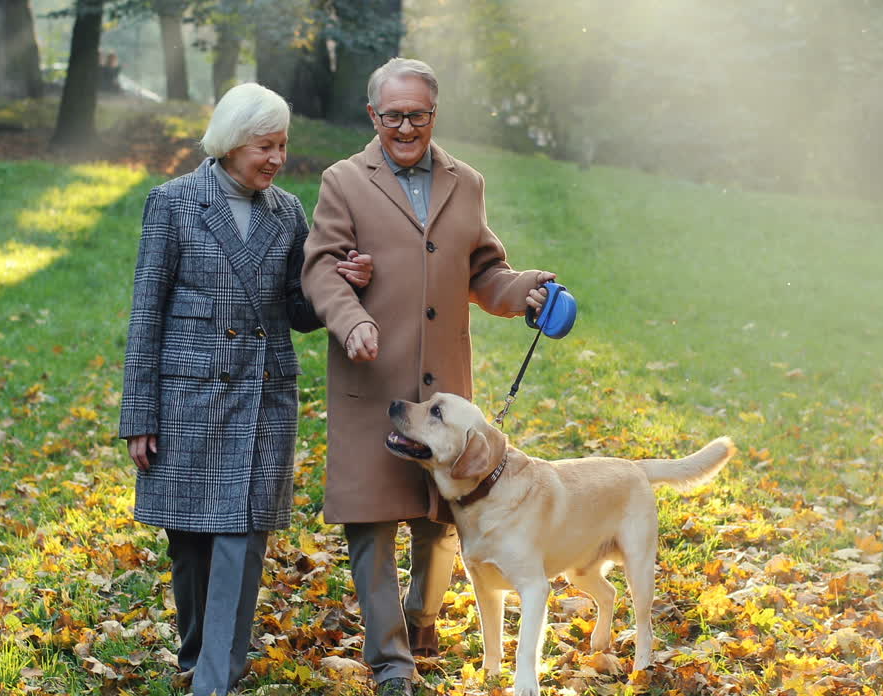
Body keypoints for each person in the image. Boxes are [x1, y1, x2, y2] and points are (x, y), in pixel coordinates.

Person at [302, 58, 556, 696]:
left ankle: (420, 623)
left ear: (434, 115)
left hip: (442, 386)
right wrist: (350, 318)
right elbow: (321, 269)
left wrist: (522, 291)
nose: (406, 127)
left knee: (442, 515)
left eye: (418, 115)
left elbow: (484, 272)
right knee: (371, 520)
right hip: (373, 379)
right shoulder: (343, 182)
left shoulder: (465, 182)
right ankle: (391, 663)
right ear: (374, 118)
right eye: (394, 116)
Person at [118, 82, 371, 696]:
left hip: (261, 393)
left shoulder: (287, 212)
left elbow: (296, 309)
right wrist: (139, 414)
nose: (278, 159)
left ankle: (216, 676)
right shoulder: (174, 202)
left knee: (242, 534)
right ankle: (197, 653)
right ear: (232, 143)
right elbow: (146, 312)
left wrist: (342, 283)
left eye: (283, 146)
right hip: (187, 397)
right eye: (266, 146)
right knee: (191, 541)